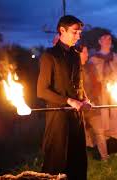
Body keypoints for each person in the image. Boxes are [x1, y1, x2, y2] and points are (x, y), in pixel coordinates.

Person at [37, 15, 91, 179]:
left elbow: (78, 82)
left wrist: (85, 99)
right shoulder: (49, 56)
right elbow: (42, 91)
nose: (78, 36)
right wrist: (69, 100)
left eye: (80, 32)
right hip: (58, 118)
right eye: (75, 32)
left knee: (78, 160)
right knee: (57, 161)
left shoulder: (75, 55)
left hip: (76, 117)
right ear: (62, 30)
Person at [89, 30, 117, 161]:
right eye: (104, 39)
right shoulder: (93, 60)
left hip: (114, 94)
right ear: (99, 41)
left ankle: (115, 149)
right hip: (100, 96)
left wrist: (114, 79)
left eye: (109, 39)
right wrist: (102, 80)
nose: (107, 41)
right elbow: (91, 77)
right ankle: (102, 151)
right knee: (102, 122)